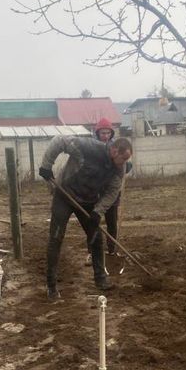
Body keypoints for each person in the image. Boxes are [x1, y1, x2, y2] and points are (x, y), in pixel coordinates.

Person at [39, 121, 132, 301]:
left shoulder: (118, 169)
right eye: (123, 159)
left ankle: (101, 279)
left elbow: (113, 191)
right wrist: (46, 165)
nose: (125, 164)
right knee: (56, 237)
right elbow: (59, 141)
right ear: (114, 151)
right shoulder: (89, 147)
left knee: (96, 239)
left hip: (88, 201)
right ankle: (51, 286)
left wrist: (98, 211)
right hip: (65, 195)